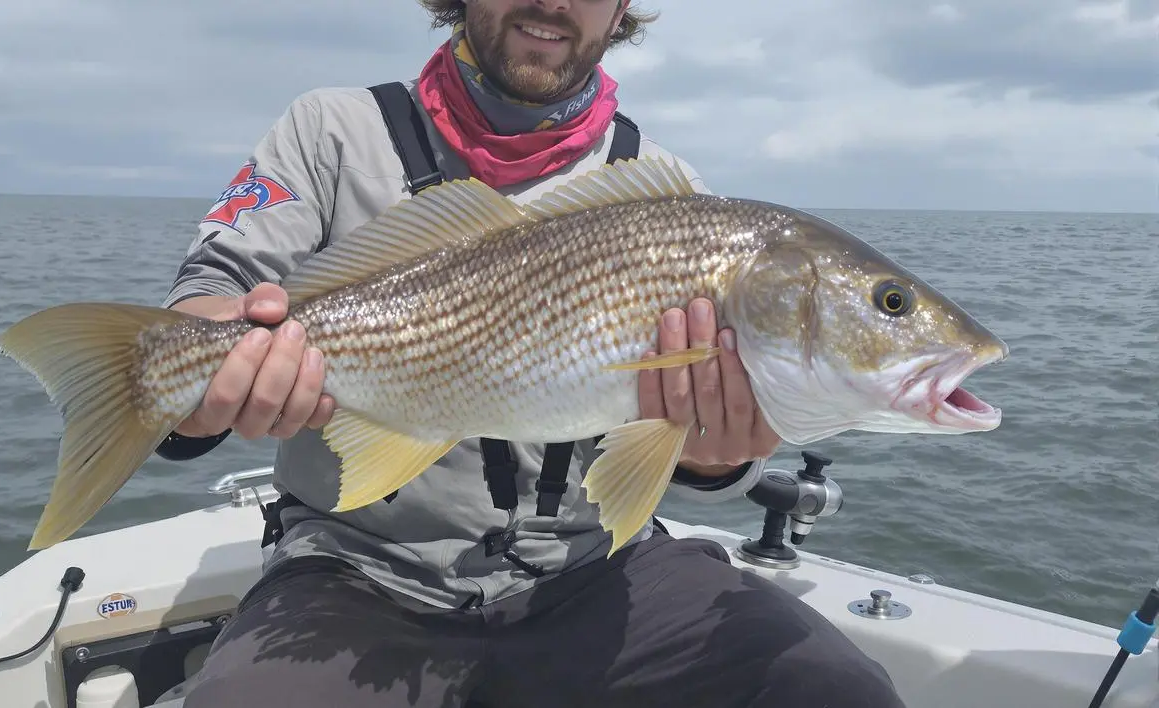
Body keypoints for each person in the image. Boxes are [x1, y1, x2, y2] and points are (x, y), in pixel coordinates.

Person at [159, 1, 907, 706]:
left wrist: (719, 455)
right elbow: (217, 285)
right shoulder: (332, 129)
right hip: (356, 571)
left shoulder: (669, 194)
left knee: (829, 688)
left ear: (620, 10)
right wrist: (200, 373)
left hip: (590, 570)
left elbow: (688, 460)